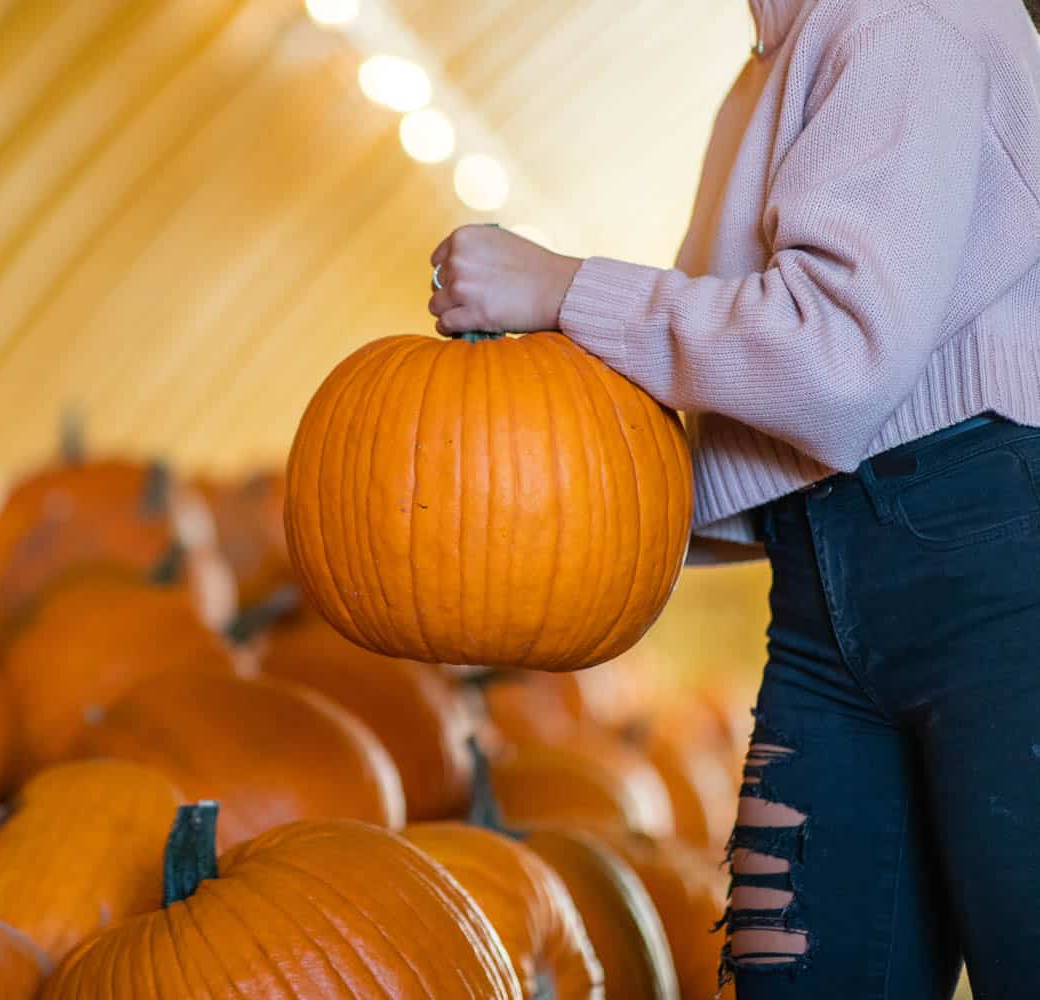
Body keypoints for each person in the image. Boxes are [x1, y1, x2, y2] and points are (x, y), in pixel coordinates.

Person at [426, 1, 1040, 997]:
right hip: (826, 593)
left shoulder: (904, 17)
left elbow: (833, 351)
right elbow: (756, 376)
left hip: (997, 573)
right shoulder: (770, 64)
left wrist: (567, 289)